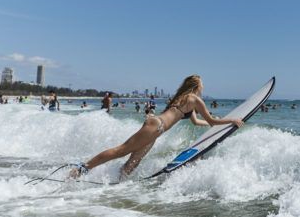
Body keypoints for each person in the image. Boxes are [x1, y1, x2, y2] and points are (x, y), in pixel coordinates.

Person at [69, 75, 243, 179]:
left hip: (156, 128)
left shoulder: (183, 98)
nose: (203, 87)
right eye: (202, 85)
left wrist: (215, 124)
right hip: (156, 126)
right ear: (197, 86)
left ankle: (116, 183)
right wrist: (231, 120)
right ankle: (82, 169)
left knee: (133, 162)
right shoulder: (194, 99)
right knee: (121, 150)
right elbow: (212, 120)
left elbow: (197, 122)